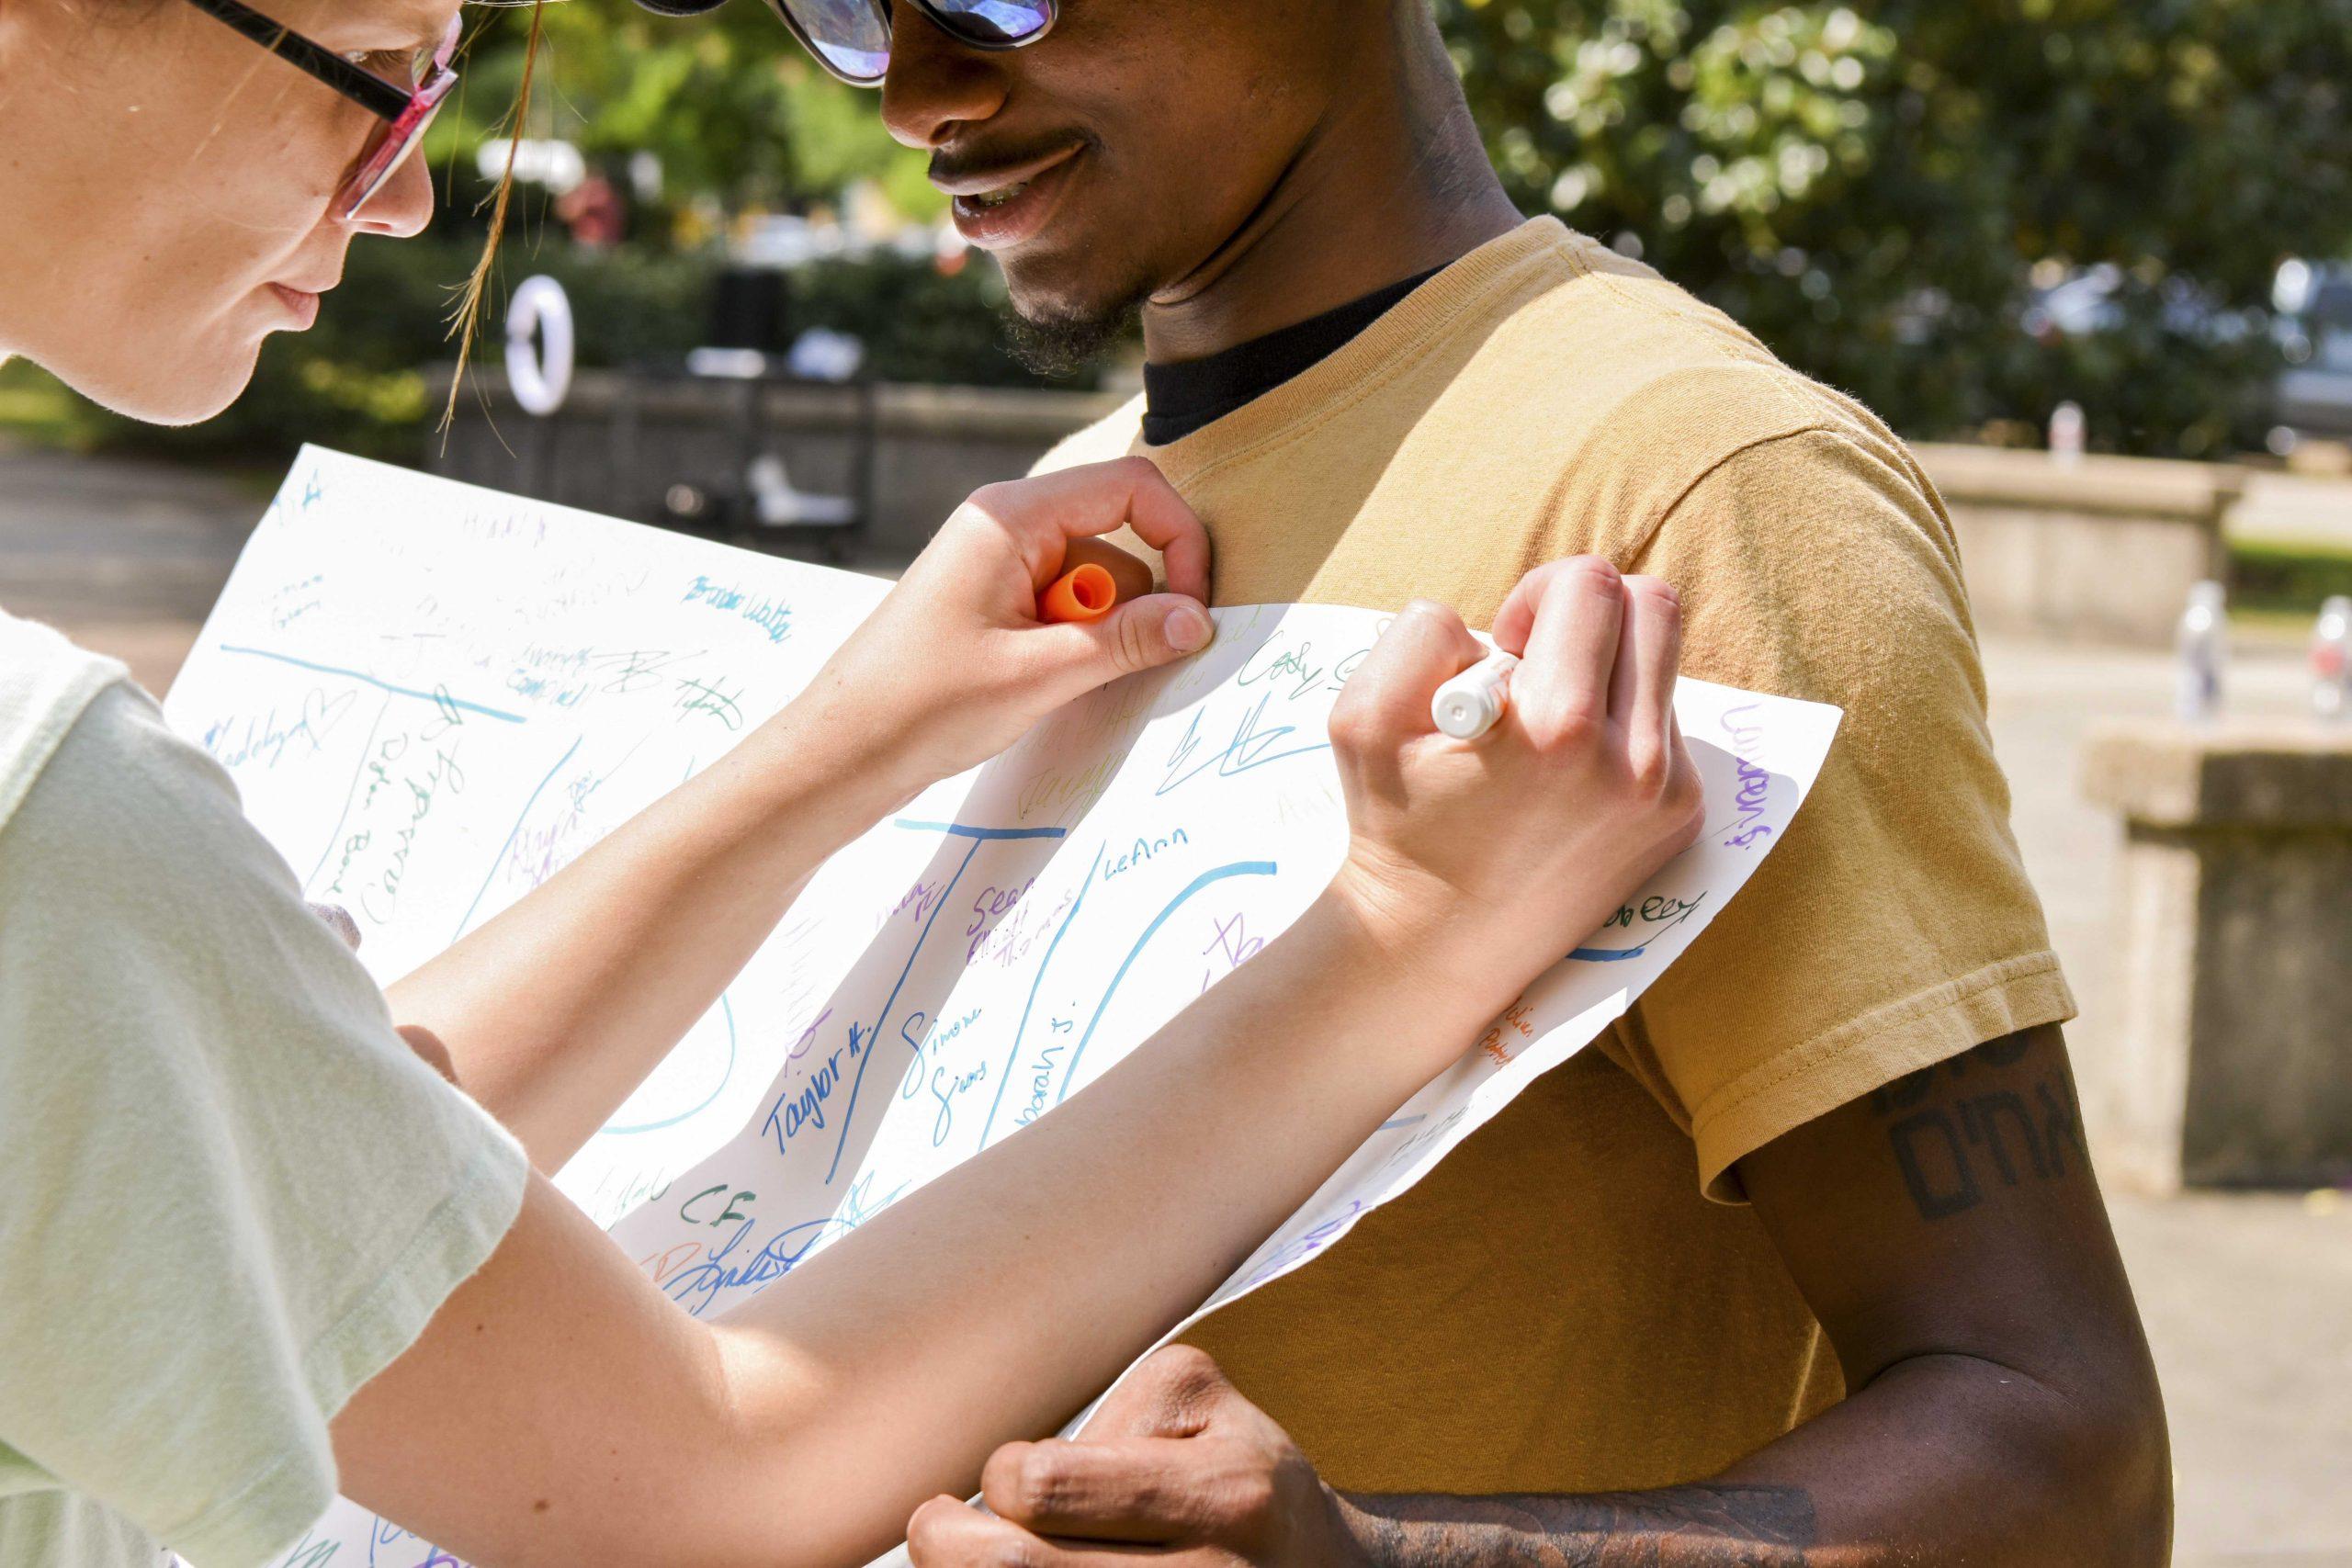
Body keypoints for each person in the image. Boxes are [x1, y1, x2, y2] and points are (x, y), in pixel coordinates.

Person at [0, 2, 1708, 1565]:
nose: (404, 200)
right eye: (378, 80)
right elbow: (701, 1475)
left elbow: (302, 1134)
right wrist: (1403, 933)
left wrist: (845, 744)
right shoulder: (48, 813)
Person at [667, 0, 2171, 1562]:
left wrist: (1379, 1557)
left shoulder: (1691, 493)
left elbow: (2074, 1464)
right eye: (850, 3)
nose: (917, 95)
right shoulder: (1050, 522)